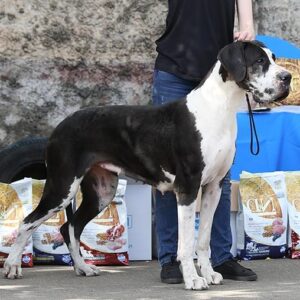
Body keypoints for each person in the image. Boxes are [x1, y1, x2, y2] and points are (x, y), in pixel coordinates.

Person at [152, 0, 257, 284]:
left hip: (219, 68)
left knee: (219, 173)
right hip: (174, 68)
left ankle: (219, 256)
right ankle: (171, 259)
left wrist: (246, 22)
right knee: (168, 172)